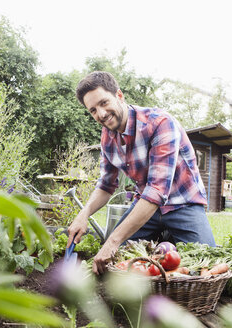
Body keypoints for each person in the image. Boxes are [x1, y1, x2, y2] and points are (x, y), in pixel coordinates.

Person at [67, 71, 216, 275]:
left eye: (104, 103)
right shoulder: (107, 137)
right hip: (145, 208)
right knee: (112, 265)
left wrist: (112, 241)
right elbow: (106, 184)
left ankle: (167, 239)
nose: (100, 114)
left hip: (184, 204)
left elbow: (156, 191)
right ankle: (163, 240)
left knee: (206, 265)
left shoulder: (160, 123)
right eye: (93, 110)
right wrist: (83, 214)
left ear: (119, 96)